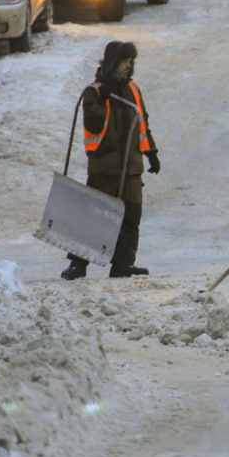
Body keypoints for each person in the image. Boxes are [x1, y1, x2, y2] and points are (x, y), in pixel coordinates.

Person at [61, 40, 161, 280]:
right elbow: (94, 125)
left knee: (131, 215)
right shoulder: (94, 91)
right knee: (94, 215)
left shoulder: (133, 89)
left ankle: (123, 264)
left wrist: (151, 152)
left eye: (130, 61)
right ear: (112, 63)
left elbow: (142, 123)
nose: (128, 66)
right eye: (124, 61)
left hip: (131, 166)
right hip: (105, 166)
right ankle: (78, 264)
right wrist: (105, 99)